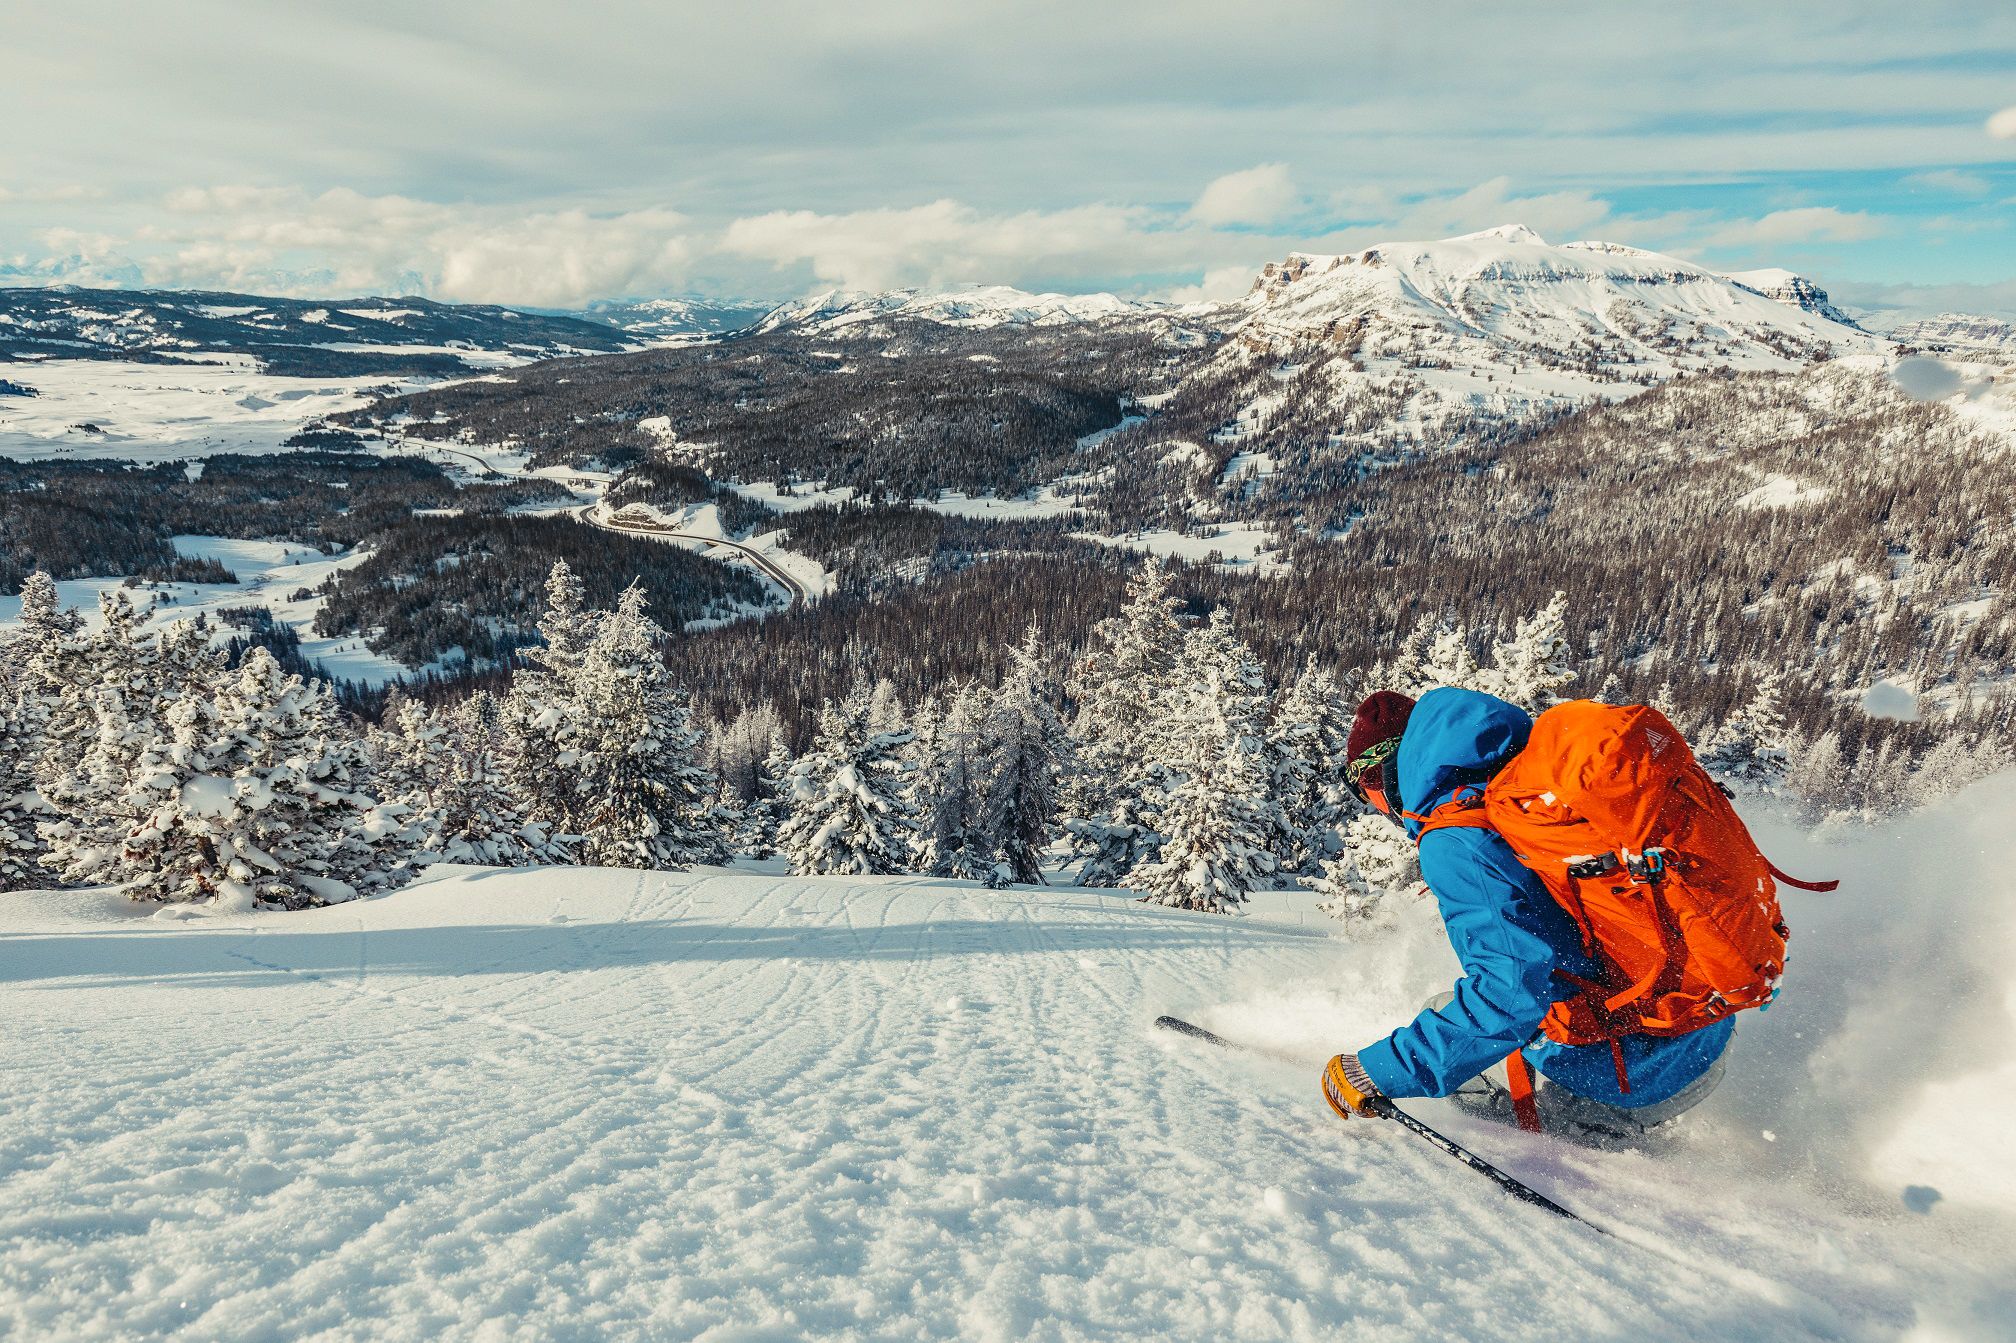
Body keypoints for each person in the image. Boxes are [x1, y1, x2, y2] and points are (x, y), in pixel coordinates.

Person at [1319, 687, 1734, 1139]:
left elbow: (1510, 994)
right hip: (1705, 1031)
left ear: (1388, 771)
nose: (1375, 805)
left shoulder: (1457, 838)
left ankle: (1588, 1150)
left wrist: (1376, 1073)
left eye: (1367, 787)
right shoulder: (1538, 787)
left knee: (1454, 1018)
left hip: (1630, 1074)